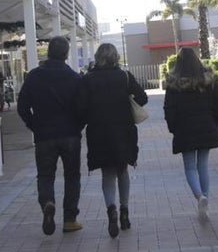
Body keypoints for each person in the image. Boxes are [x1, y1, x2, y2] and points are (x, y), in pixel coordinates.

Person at [75, 42, 147, 238]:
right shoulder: (124, 76)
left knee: (107, 173)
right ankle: (124, 211)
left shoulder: (88, 79)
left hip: (99, 132)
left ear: (98, 57)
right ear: (116, 57)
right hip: (123, 130)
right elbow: (142, 97)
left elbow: (80, 107)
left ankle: (111, 210)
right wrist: (127, 104)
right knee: (122, 170)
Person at [16, 37, 84, 235]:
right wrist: (78, 126)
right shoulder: (74, 78)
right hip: (70, 134)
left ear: (48, 52)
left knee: (45, 175)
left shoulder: (34, 76)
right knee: (72, 176)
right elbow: (83, 107)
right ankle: (70, 220)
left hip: (44, 136)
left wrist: (34, 125)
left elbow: (22, 107)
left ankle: (47, 202)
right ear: (66, 54)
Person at [163, 47, 218, 220]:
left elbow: (169, 109)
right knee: (203, 165)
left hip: (184, 130)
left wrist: (174, 128)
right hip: (206, 127)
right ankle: (206, 199)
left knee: (190, 167)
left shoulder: (174, 84)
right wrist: (213, 123)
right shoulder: (208, 81)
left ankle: (199, 196)